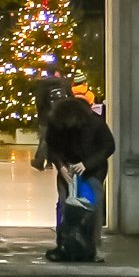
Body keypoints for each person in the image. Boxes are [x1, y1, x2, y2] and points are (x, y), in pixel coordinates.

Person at [38, 81, 114, 262]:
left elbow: (108, 146)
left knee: (91, 209)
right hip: (69, 171)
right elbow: (53, 148)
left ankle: (90, 247)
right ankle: (65, 244)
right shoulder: (58, 125)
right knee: (66, 206)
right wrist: (61, 166)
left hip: (91, 173)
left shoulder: (94, 124)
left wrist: (86, 164)